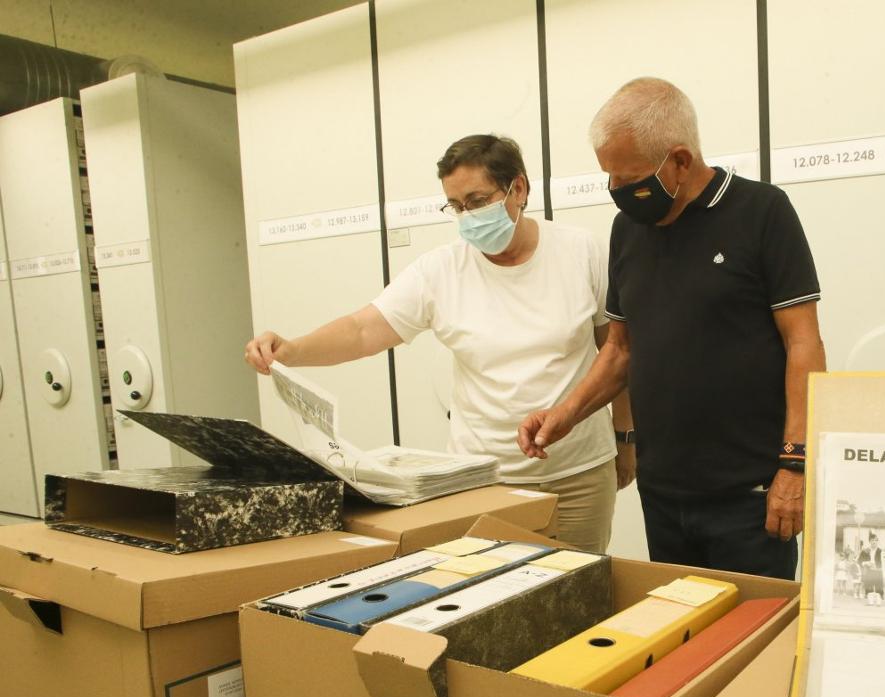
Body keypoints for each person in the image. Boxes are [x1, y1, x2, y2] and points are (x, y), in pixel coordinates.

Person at [244, 134, 633, 554]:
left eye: (478, 200)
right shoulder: (441, 271)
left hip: (580, 474)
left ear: (517, 189)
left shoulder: (581, 252)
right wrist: (292, 350)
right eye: (456, 206)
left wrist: (626, 438)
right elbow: (362, 330)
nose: (467, 216)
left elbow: (616, 355)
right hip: (486, 479)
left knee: (581, 593)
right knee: (494, 598)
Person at [517, 78, 825, 579]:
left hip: (751, 498)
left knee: (754, 647)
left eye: (629, 177)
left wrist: (795, 465)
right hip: (663, 493)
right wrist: (564, 415)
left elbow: (804, 343)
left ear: (680, 160)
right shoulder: (627, 231)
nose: (618, 191)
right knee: (682, 639)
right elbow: (620, 350)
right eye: (608, 177)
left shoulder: (762, 212)